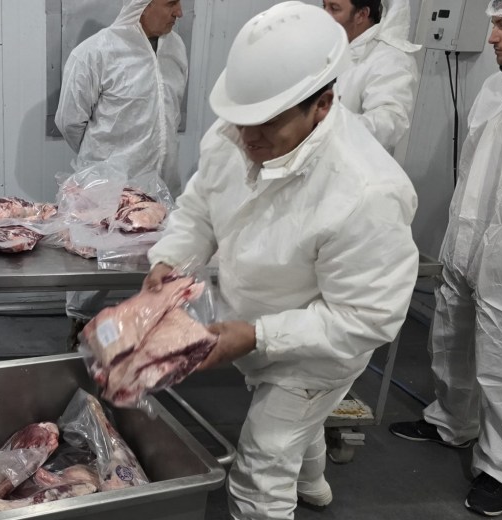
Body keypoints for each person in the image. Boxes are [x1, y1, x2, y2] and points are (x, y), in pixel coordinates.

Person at [143, 3, 418, 519]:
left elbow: (366, 317)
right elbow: (200, 208)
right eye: (242, 120)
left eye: (269, 124)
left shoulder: (366, 191)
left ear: (323, 105)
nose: (249, 139)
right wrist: (170, 261)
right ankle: (313, 485)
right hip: (257, 321)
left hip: (320, 349)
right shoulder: (235, 134)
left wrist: (258, 335)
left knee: (264, 461)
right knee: (297, 428)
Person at [389, 1, 502, 516]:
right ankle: (452, 421)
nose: (491, 37)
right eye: (491, 24)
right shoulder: (494, 86)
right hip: (468, 240)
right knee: (451, 337)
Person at [55, 0, 188, 343]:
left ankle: (148, 332)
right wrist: (102, 166)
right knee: (92, 266)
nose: (179, 12)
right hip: (108, 188)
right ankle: (79, 326)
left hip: (161, 184)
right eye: (171, 2)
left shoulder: (175, 49)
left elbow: (170, 114)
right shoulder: (96, 53)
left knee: (159, 261)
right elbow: (70, 121)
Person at [322, 0, 421, 153]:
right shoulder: (332, 46)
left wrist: (326, 125)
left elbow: (388, 123)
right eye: (324, 6)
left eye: (334, 9)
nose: (324, 15)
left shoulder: (391, 59)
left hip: (345, 160)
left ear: (361, 14)